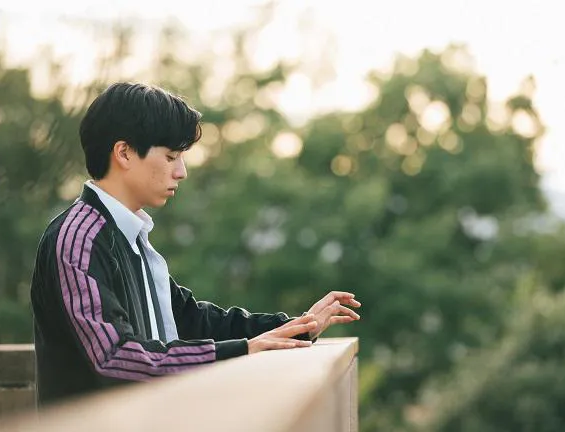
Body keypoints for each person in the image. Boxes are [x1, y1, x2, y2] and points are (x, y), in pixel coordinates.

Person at [29, 82, 361, 406]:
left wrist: (297, 327)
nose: (182, 171)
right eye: (171, 156)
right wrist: (243, 349)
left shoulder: (130, 237)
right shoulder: (79, 239)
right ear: (124, 153)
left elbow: (192, 320)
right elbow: (114, 358)